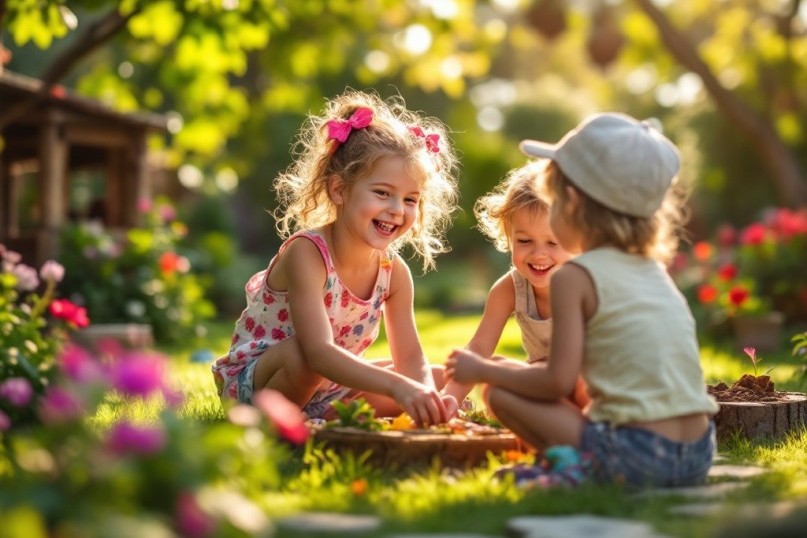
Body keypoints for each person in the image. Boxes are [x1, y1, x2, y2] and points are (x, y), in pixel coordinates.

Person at [446, 112, 719, 487]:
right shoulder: (651, 270)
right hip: (699, 452)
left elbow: (556, 382)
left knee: (499, 391)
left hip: (639, 455)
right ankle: (577, 460)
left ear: (571, 202)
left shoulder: (576, 276)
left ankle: (578, 467)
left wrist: (483, 372)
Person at [212, 90, 459, 427]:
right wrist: (400, 387)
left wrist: (425, 398)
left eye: (411, 199)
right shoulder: (308, 253)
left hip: (329, 386)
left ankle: (318, 418)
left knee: (436, 380)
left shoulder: (393, 273)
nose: (397, 210)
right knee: (305, 360)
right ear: (339, 190)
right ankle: (271, 425)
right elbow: (318, 353)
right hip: (263, 382)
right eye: (382, 193)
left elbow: (410, 357)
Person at [440, 162, 587, 417]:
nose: (539, 254)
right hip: (544, 386)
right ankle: (555, 428)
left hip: (590, 383)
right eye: (524, 241)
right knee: (496, 386)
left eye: (553, 242)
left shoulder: (588, 284)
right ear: (508, 236)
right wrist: (448, 398)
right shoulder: (509, 289)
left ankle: (583, 433)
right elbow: (479, 349)